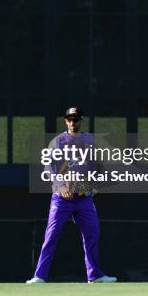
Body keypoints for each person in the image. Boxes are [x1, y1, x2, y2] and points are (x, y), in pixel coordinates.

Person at [27, 107, 117, 283]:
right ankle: (39, 276)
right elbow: (48, 166)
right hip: (61, 199)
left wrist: (95, 184)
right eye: (69, 119)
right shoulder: (58, 141)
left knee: (93, 233)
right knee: (51, 235)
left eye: (75, 119)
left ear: (81, 120)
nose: (72, 122)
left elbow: (98, 165)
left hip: (83, 197)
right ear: (65, 121)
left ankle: (95, 275)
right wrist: (60, 186)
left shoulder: (90, 140)